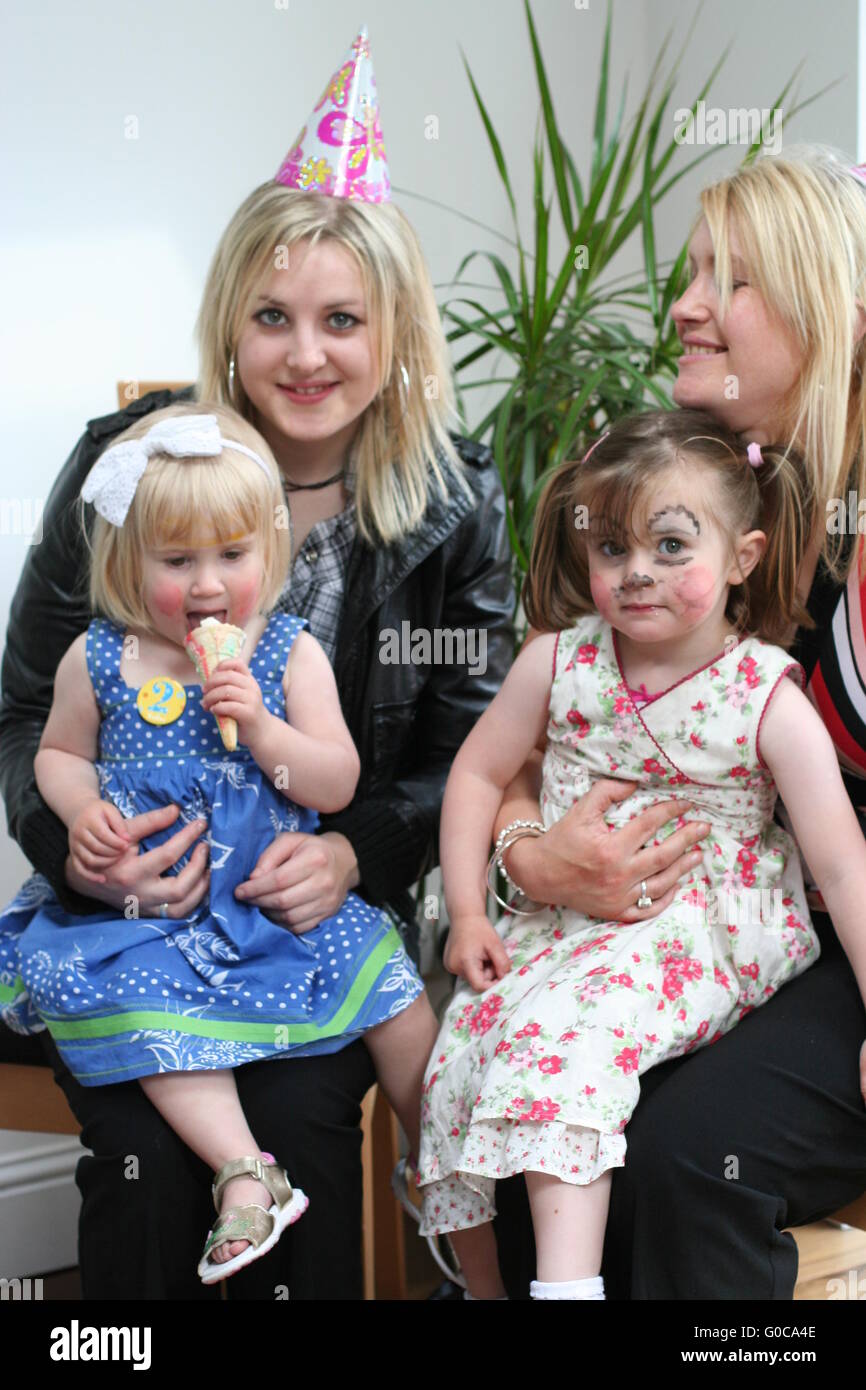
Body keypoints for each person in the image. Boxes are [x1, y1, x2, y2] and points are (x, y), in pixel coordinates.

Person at [0, 28, 513, 1299]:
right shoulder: (129, 470)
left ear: (392, 332)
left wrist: (353, 852)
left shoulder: (452, 504)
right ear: (228, 321)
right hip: (136, 920)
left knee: (296, 1116)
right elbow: (25, 711)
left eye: (342, 319)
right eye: (272, 317)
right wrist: (82, 844)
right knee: (143, 1145)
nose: (304, 355)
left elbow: (471, 751)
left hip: (314, 915)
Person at [489, 147, 866, 1300]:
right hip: (723, 936)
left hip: (830, 947)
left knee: (691, 1154)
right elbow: (527, 742)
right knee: (540, 1114)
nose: (684, 306)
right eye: (688, 271)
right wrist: (531, 858)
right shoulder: (671, 501)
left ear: (830, 310)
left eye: (729, 280)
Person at [416, 406, 866, 1301]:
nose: (636, 575)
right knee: (459, 1054)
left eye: (670, 547)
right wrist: (469, 909)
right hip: (564, 927)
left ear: (742, 557)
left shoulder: (765, 697)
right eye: (612, 549)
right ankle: (485, 1290)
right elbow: (475, 774)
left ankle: (568, 1290)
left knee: (573, 1054)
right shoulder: (558, 661)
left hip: (701, 929)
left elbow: (845, 864)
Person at [0, 402, 441, 1285]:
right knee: (144, 1011)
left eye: (231, 555)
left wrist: (266, 731)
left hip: (267, 911)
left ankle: (446, 1162)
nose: (208, 585)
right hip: (149, 920)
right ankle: (247, 1172)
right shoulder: (99, 659)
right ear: (130, 563)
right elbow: (54, 750)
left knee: (391, 989)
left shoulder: (288, 654)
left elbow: (336, 781)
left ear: (267, 556)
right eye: (177, 560)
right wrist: (81, 814)